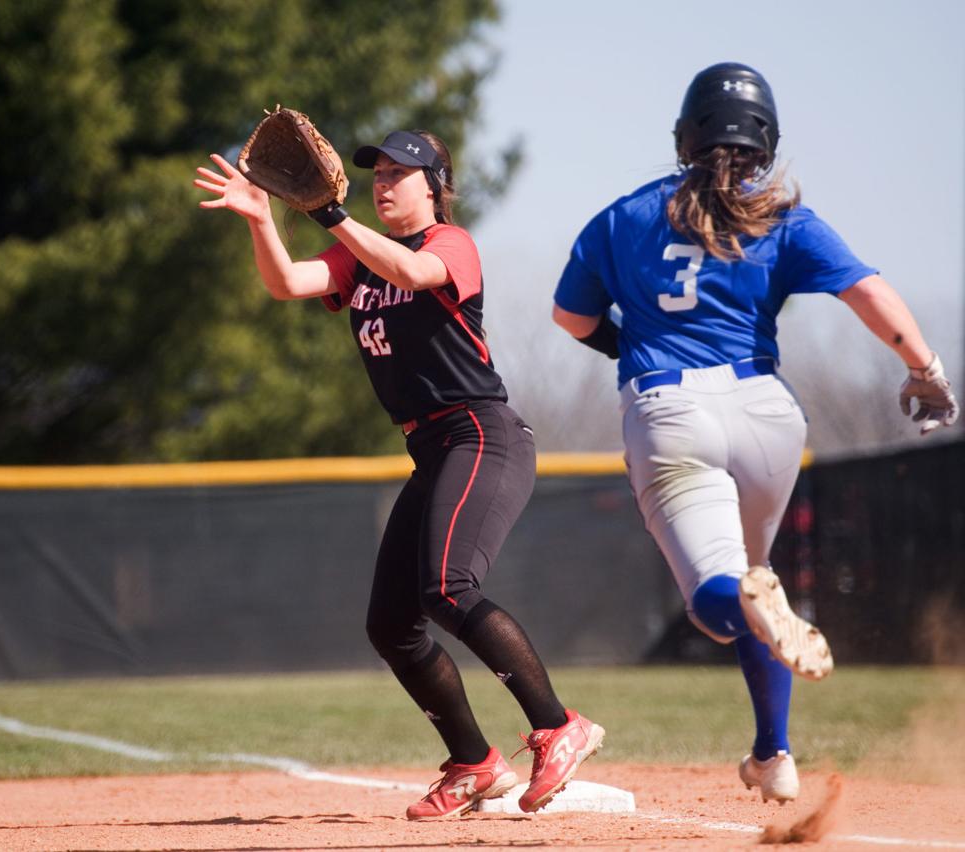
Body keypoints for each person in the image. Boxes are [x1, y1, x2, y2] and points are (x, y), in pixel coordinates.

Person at [551, 62, 959, 804]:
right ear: (766, 141)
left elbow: (571, 317)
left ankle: (757, 654)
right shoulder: (785, 219)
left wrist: (629, 341)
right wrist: (925, 369)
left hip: (672, 412)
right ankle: (774, 755)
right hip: (768, 413)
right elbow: (866, 291)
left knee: (723, 602)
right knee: (754, 579)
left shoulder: (625, 215)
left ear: (685, 135)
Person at [195, 128, 604, 818]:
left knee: (447, 588)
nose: (383, 183)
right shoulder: (358, 257)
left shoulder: (450, 243)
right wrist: (263, 219)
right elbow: (287, 282)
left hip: (481, 434)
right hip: (433, 449)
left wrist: (331, 215)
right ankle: (475, 761)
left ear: (434, 186)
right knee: (392, 625)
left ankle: (560, 725)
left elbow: (413, 275)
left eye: (399, 173)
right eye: (377, 173)